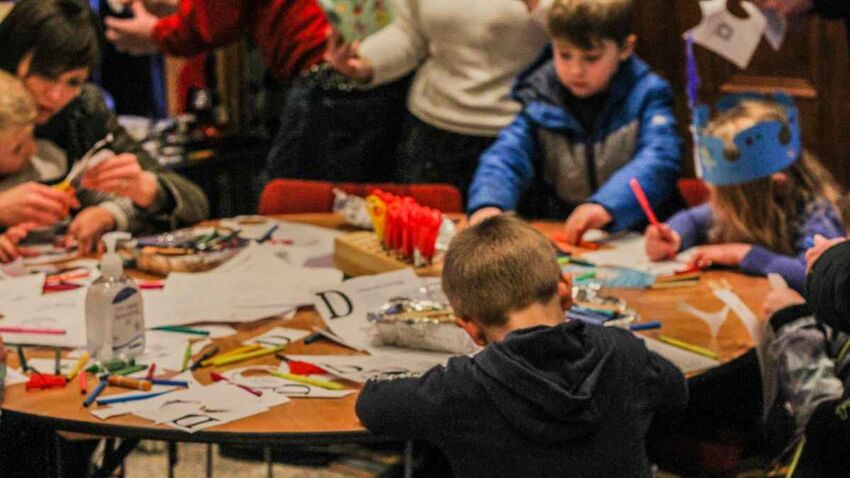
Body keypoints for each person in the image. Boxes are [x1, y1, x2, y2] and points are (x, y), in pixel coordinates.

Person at [355, 214, 688, 478]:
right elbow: (676, 391)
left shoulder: (460, 388)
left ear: (471, 328)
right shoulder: (624, 352)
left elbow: (372, 405)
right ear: (566, 290)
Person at [104, 0, 410, 182]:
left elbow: (219, 16)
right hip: (384, 67)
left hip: (331, 71)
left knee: (294, 213)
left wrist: (159, 34)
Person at [466, 0, 682, 244]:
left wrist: (605, 206)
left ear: (625, 48)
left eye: (591, 58)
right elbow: (505, 157)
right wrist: (489, 205)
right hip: (568, 234)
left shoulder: (648, 93)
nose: (575, 70)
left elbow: (660, 159)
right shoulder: (540, 94)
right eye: (564, 54)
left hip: (643, 236)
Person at [0, 0, 209, 253]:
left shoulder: (83, 110)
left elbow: (195, 201)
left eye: (73, 81)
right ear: (10, 57)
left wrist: (138, 196)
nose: (56, 96)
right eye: (46, 74)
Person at [325, 0, 550, 196]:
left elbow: (579, 34)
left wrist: (538, 6)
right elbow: (408, 34)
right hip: (432, 130)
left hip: (521, 132)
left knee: (513, 241)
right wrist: (364, 63)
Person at [645, 96, 844, 293]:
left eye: (725, 199)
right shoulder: (739, 209)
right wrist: (673, 236)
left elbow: (817, 277)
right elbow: (694, 220)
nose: (715, 206)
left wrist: (741, 254)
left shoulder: (816, 216)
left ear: (776, 189)